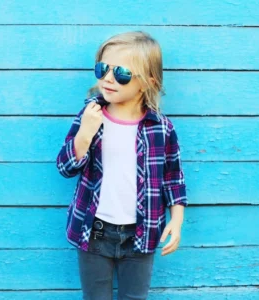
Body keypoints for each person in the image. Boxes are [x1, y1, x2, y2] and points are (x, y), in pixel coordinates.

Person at [56, 31, 188, 300]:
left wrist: (177, 219)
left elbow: (173, 178)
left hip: (141, 233)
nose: (108, 78)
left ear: (146, 82)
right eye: (103, 68)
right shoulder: (90, 116)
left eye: (122, 73)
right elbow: (65, 166)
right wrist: (85, 133)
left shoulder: (161, 128)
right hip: (95, 231)